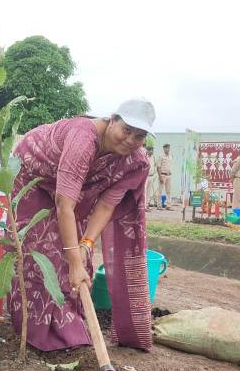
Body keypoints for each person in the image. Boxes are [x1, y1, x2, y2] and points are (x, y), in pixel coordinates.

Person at [9, 99, 155, 352]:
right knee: (40, 250)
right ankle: (36, 331)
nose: (130, 140)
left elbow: (107, 206)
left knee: (77, 253)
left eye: (139, 136)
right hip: (33, 175)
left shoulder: (134, 161)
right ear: (112, 120)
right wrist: (74, 263)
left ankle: (69, 327)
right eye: (126, 130)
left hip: (71, 188)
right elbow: (64, 204)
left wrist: (85, 243)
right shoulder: (83, 138)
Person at [156, 143, 173, 209]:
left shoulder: (171, 156)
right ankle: (159, 205)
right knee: (160, 190)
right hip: (162, 175)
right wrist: (160, 177)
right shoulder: (161, 156)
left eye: (168, 148)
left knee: (168, 191)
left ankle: (168, 205)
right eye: (166, 148)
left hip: (169, 175)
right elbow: (158, 167)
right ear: (163, 149)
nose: (167, 149)